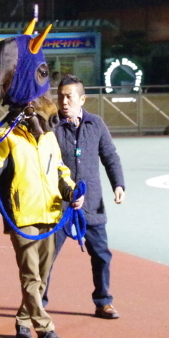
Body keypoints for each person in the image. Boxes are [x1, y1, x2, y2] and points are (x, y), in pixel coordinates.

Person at [0, 117, 84, 338]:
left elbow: (60, 171)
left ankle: (23, 320)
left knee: (43, 277)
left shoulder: (50, 137)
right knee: (31, 276)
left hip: (51, 215)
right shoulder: (6, 136)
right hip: (22, 217)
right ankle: (45, 329)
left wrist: (72, 192)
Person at [45, 74, 125, 319]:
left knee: (101, 255)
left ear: (82, 99)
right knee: (44, 259)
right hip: (57, 206)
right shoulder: (51, 126)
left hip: (91, 206)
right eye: (60, 97)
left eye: (69, 96)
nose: (64, 102)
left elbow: (110, 156)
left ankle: (103, 302)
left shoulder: (96, 124)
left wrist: (118, 184)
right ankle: (38, 305)